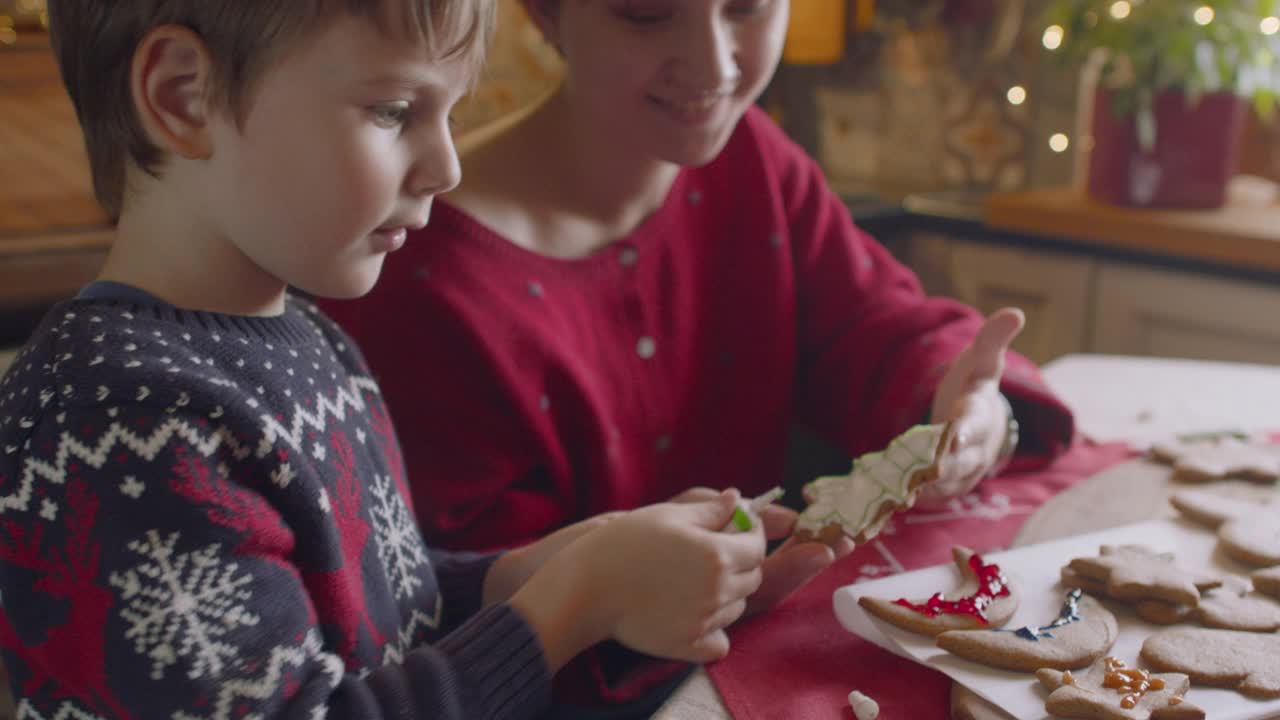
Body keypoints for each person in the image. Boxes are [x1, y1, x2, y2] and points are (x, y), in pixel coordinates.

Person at [0, 2, 776, 718]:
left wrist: (535, 571)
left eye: (450, 113)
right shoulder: (116, 422)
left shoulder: (310, 341)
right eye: (395, 110)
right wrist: (570, 607)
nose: (447, 167)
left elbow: (377, 612)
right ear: (183, 96)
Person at [321, 0, 1075, 709]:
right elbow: (455, 618)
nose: (712, 64)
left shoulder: (751, 159)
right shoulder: (416, 278)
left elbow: (882, 327)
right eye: (647, 14)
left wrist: (966, 405)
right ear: (546, 12)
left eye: (745, 7)